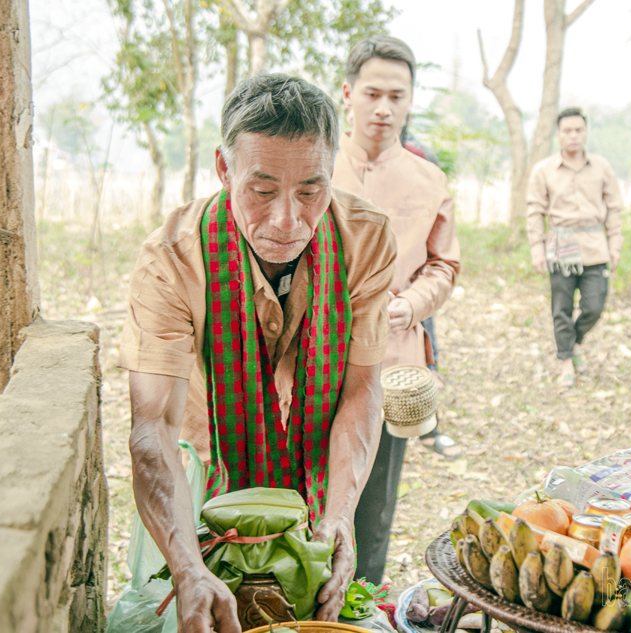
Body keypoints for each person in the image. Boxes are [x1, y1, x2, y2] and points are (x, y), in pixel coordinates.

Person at [118, 74, 396, 632]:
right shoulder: (172, 258)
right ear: (225, 169)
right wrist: (187, 566)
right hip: (202, 479)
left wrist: (340, 516)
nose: (287, 220)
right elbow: (153, 424)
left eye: (310, 192)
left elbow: (362, 388)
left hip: (320, 472)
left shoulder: (366, 241)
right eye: (262, 191)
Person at [331, 35, 462, 584]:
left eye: (397, 97)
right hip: (312, 354)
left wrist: (412, 304)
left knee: (376, 494)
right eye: (373, 94)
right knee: (308, 481)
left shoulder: (429, 180)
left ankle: (363, 599)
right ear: (347, 94)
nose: (384, 109)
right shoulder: (316, 165)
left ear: (410, 101)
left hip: (393, 357)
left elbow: (444, 265)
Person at [526, 107, 623, 388]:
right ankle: (566, 359)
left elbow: (614, 208)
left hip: (595, 246)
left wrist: (615, 245)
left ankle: (575, 340)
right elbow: (534, 210)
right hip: (560, 246)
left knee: (595, 305)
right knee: (562, 307)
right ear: (558, 135)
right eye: (567, 131)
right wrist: (536, 247)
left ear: (586, 132)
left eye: (578, 130)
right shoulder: (544, 170)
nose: (573, 136)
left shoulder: (602, 167)